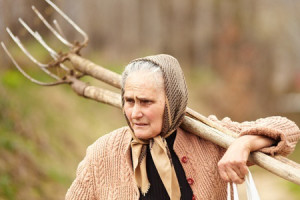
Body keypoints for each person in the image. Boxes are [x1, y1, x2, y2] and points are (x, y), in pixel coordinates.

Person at [66, 54, 300, 200]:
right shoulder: (102, 154)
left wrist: (243, 144)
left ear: (172, 101)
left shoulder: (210, 140)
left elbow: (287, 130)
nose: (135, 113)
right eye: (129, 101)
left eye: (146, 102)